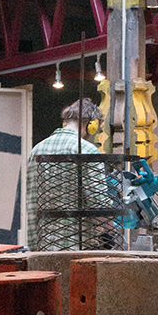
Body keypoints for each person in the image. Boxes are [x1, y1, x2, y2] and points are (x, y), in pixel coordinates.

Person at [26, 98, 117, 250]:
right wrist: (110, 233)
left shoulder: (36, 150)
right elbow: (97, 201)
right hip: (77, 247)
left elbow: (32, 203)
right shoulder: (87, 150)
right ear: (91, 125)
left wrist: (33, 246)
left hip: (43, 247)